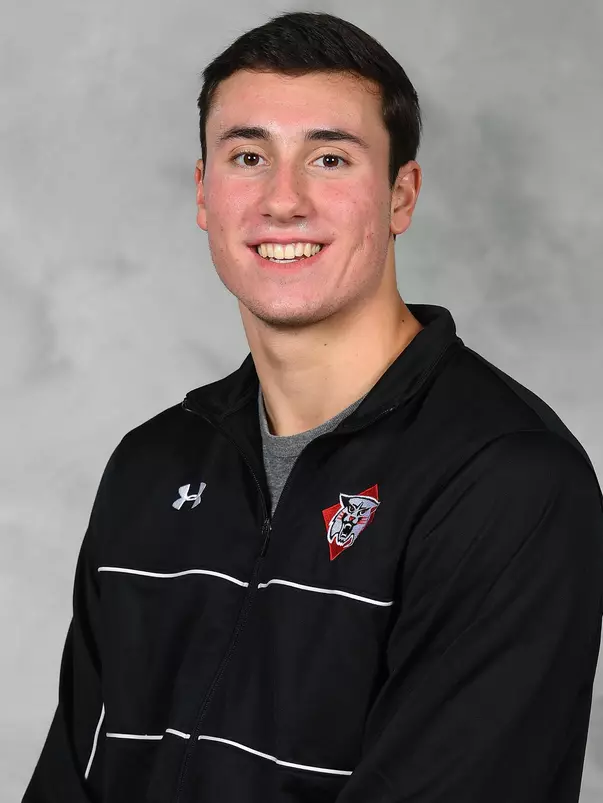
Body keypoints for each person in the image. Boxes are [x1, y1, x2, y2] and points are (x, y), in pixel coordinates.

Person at [23, 10, 603, 803]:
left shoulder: (510, 483)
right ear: (203, 193)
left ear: (401, 195)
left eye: (328, 158)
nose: (282, 200)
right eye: (248, 155)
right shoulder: (149, 465)